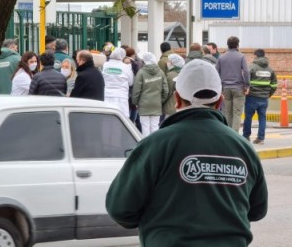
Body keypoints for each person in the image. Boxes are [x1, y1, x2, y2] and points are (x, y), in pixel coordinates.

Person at [106, 59, 268, 247]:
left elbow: (120, 208)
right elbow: (257, 210)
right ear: (220, 101)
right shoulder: (244, 148)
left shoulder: (155, 145)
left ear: (177, 99)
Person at [242, 49, 277, 144]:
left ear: (255, 56)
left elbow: (246, 81)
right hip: (264, 98)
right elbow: (274, 84)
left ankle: (246, 137)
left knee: (248, 117)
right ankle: (261, 138)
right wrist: (269, 94)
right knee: (262, 118)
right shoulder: (270, 69)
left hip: (251, 97)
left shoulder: (251, 67)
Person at [216, 36, 250, 132]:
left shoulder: (221, 57)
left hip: (225, 88)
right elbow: (246, 71)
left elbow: (216, 72)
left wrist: (220, 86)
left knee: (227, 113)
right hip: (239, 88)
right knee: (237, 113)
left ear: (227, 45)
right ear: (238, 45)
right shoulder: (241, 56)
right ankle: (234, 134)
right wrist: (247, 85)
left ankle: (228, 133)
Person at [132, 52, 168, 137]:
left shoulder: (141, 73)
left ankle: (146, 147)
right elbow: (165, 90)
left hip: (144, 104)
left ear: (144, 61)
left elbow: (136, 90)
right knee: (155, 127)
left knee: (145, 128)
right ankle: (155, 146)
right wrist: (160, 100)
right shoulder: (160, 72)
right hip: (156, 103)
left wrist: (135, 102)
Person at [102, 48, 134, 118]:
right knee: (121, 118)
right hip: (121, 96)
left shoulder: (104, 65)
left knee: (107, 118)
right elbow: (131, 82)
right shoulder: (126, 67)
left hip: (106, 95)